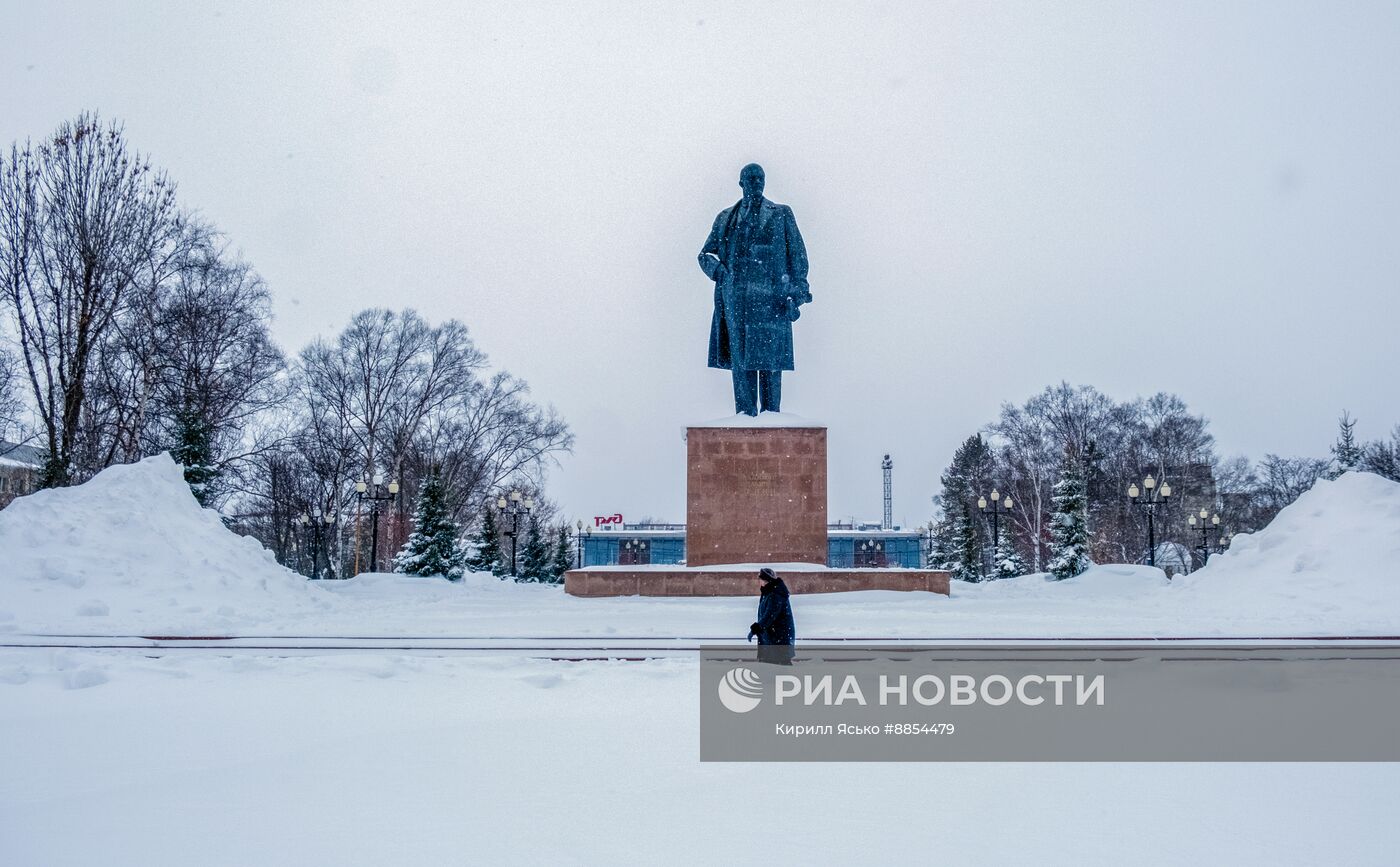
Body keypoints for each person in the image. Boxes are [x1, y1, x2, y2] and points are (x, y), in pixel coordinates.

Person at [697, 163, 811, 416]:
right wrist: (720, 273)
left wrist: (798, 289)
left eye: (760, 178)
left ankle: (772, 421)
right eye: (751, 179)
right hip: (737, 302)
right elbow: (704, 254)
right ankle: (745, 420)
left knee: (770, 365)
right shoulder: (726, 218)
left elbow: (798, 257)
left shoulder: (781, 214)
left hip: (772, 302)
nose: (756, 183)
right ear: (741, 183)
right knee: (742, 363)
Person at [748, 567, 796, 665]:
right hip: (774, 637)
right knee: (773, 669)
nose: (759, 582)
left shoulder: (775, 594)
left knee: (779, 668)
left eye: (760, 579)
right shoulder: (769, 592)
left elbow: (769, 616)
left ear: (766, 581)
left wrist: (755, 629)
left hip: (778, 638)